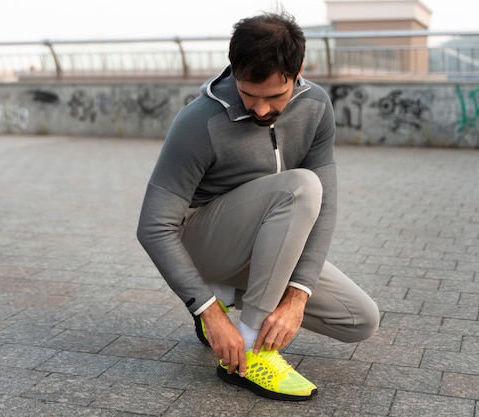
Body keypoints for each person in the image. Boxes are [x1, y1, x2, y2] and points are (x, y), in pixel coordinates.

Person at [136, 10, 380, 401]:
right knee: (301, 187)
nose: (261, 109)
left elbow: (327, 207)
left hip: (268, 239)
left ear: (298, 70)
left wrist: (297, 296)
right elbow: (153, 226)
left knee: (360, 320)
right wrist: (207, 312)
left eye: (275, 96)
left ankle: (230, 293)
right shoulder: (200, 122)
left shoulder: (315, 107)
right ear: (234, 69)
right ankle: (252, 348)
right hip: (203, 244)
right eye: (250, 94)